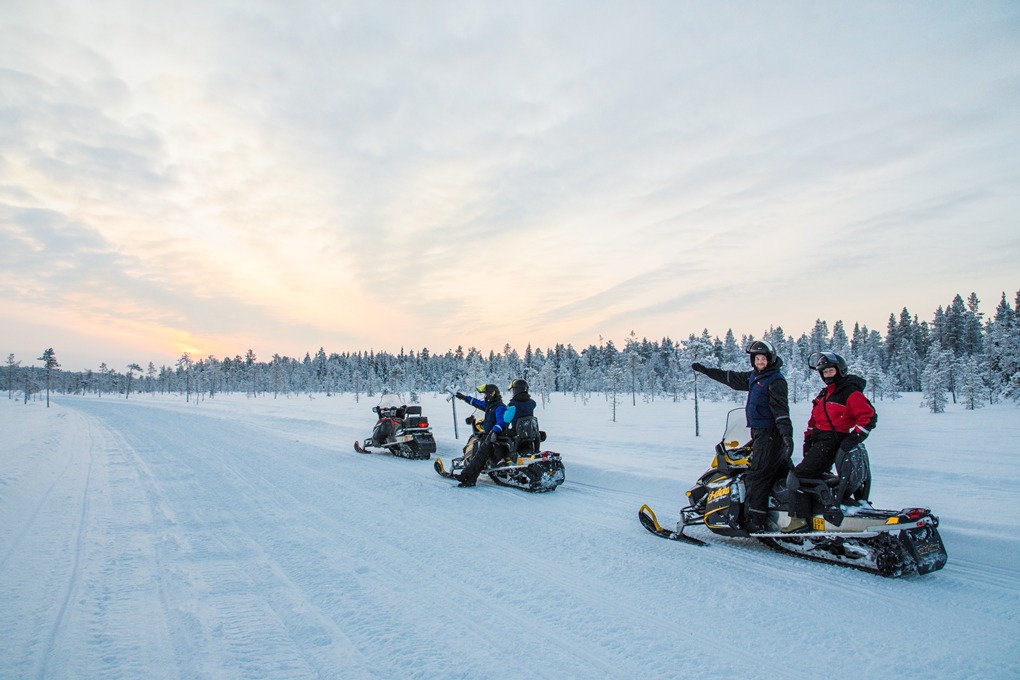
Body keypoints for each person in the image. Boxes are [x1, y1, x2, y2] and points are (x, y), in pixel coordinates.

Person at [692, 340, 794, 533]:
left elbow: (781, 411)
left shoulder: (775, 380)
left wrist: (786, 435)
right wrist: (706, 371)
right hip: (760, 433)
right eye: (757, 359)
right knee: (777, 472)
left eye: (763, 359)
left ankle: (754, 520)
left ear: (770, 359)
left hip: (771, 434)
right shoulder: (755, 377)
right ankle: (781, 512)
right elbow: (730, 378)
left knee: (757, 476)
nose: (760, 362)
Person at [783, 351, 877, 532]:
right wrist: (808, 439)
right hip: (820, 441)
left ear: (840, 370)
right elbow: (814, 419)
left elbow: (868, 418)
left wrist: (852, 439)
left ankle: (798, 520)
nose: (827, 375)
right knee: (815, 477)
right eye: (824, 372)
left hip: (831, 442)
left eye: (830, 371)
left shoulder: (849, 392)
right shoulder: (826, 393)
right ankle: (817, 511)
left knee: (797, 476)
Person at [452, 384, 507, 487]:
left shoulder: (500, 407)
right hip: (488, 435)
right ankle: (470, 479)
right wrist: (463, 397)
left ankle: (465, 476)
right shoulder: (490, 405)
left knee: (479, 457)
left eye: (486, 394)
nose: (485, 396)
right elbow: (477, 403)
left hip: (494, 437)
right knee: (478, 457)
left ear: (492, 394)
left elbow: (502, 422)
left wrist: (494, 431)